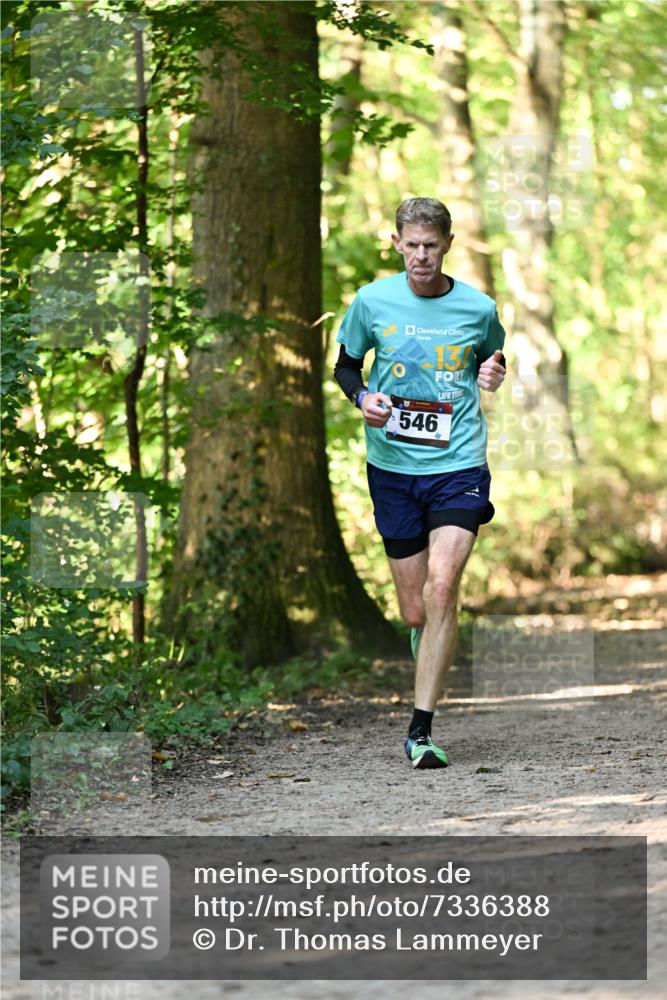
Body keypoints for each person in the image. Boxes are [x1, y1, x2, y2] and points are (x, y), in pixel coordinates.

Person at [334, 197, 507, 770]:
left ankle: (420, 730)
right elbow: (345, 366)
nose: (421, 255)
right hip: (393, 469)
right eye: (411, 244)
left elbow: (492, 358)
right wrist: (363, 398)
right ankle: (431, 640)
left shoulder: (478, 307)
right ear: (396, 244)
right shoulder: (372, 301)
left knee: (441, 590)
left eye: (431, 245)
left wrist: (493, 372)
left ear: (448, 244)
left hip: (459, 465)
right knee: (416, 612)